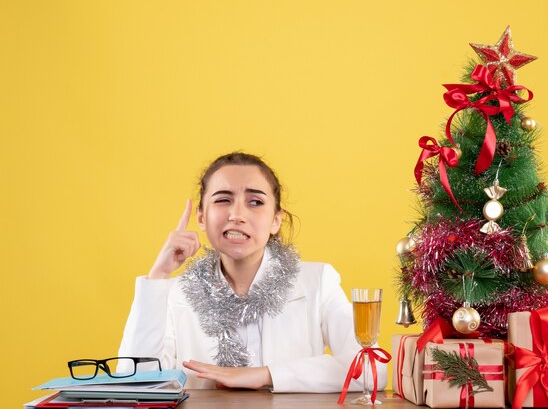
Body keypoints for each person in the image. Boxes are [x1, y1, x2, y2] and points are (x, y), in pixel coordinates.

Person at [117, 152, 388, 392]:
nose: (237, 214)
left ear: (275, 220)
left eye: (255, 202)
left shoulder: (317, 282)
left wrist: (267, 375)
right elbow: (137, 383)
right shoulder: (173, 292)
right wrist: (157, 277)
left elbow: (372, 369)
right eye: (223, 200)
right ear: (201, 217)